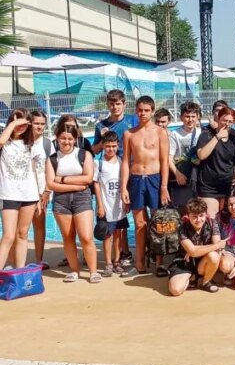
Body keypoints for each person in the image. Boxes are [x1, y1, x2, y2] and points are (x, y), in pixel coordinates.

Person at [0, 109, 45, 299]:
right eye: (17, 122)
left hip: (29, 194)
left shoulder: (32, 144)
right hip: (8, 193)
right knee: (8, 236)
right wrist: (14, 124)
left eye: (25, 123)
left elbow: (36, 170)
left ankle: (20, 277)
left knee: (23, 234)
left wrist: (41, 195)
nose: (21, 126)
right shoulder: (0, 141)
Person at [120, 95, 171, 277]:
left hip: (154, 179)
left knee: (158, 222)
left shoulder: (160, 132)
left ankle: (159, 263)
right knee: (140, 223)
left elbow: (165, 161)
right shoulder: (129, 134)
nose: (142, 113)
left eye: (146, 110)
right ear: (136, 110)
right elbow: (125, 161)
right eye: (140, 110)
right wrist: (123, 187)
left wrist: (164, 186)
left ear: (152, 111)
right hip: (135, 179)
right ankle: (140, 263)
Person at [46, 124, 98, 283]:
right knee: (68, 237)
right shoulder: (52, 159)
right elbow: (50, 184)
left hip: (82, 198)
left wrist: (61, 179)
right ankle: (74, 270)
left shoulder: (84, 155)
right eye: (62, 138)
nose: (66, 142)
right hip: (61, 201)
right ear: (57, 138)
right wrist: (75, 185)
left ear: (75, 139)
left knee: (86, 237)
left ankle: (93, 271)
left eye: (69, 138)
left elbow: (88, 178)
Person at [196, 106, 235, 219]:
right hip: (209, 187)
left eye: (230, 121)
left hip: (228, 186)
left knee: (225, 219)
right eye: (224, 120)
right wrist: (217, 137)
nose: (226, 124)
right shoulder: (207, 134)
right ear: (218, 118)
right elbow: (201, 155)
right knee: (212, 220)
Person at [168, 198, 223, 295]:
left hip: (204, 261)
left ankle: (205, 282)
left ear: (206, 214)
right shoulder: (182, 228)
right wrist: (194, 250)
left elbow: (217, 248)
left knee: (214, 256)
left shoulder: (212, 223)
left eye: (201, 215)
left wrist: (195, 249)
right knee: (175, 290)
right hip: (185, 262)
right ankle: (191, 277)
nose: (198, 220)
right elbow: (194, 251)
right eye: (194, 216)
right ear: (188, 216)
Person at [93, 131, 129, 277]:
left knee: (118, 234)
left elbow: (124, 183)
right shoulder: (98, 163)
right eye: (107, 146)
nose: (111, 149)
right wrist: (100, 206)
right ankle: (108, 262)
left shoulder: (121, 162)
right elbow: (96, 185)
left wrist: (126, 202)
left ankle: (116, 260)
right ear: (103, 146)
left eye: (113, 146)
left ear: (118, 145)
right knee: (107, 236)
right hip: (106, 206)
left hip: (119, 205)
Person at [168, 102, 202, 211]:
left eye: (193, 116)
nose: (190, 119)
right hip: (182, 177)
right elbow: (169, 159)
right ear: (181, 117)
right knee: (182, 210)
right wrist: (177, 174)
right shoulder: (175, 134)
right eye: (187, 116)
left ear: (198, 117)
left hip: (198, 178)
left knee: (198, 209)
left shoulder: (202, 133)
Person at [29, 110, 51, 269]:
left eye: (42, 124)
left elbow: (51, 169)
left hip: (41, 191)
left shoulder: (47, 144)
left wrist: (47, 191)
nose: (39, 127)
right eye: (36, 123)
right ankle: (16, 260)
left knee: (39, 225)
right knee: (19, 229)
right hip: (22, 191)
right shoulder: (22, 142)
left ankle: (38, 260)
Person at [92, 89, 137, 157]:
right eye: (112, 104)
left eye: (118, 104)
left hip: (131, 163)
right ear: (107, 105)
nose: (115, 107)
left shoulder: (133, 120)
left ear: (124, 105)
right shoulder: (101, 125)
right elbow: (95, 151)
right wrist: (104, 138)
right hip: (113, 165)